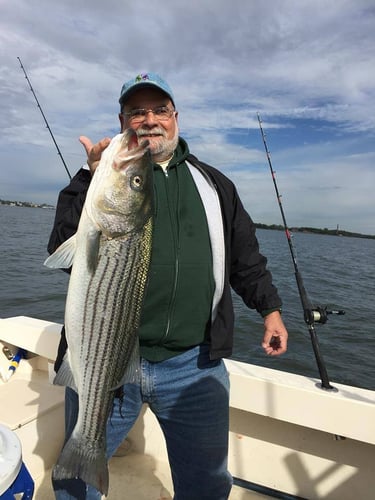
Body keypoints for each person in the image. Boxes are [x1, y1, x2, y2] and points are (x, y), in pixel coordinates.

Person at [47, 72, 288, 500]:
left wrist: (270, 309)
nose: (149, 120)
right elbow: (61, 251)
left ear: (176, 117)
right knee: (74, 483)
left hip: (193, 365)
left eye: (160, 110)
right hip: (107, 356)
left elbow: (245, 257)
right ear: (122, 120)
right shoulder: (104, 177)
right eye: (137, 111)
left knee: (207, 484)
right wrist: (88, 177)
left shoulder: (215, 185)